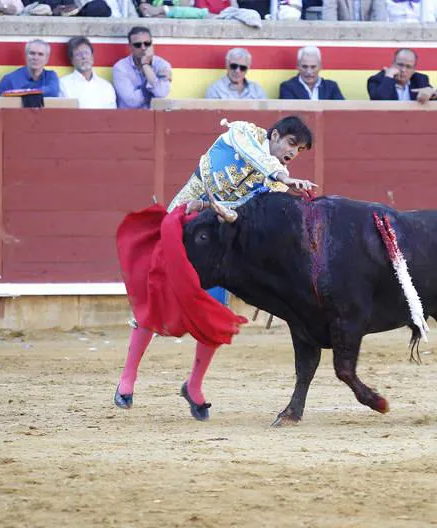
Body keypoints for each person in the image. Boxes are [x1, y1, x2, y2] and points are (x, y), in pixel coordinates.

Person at [114, 115, 317, 421]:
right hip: (182, 228)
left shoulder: (276, 182)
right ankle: (127, 380)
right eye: (291, 143)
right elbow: (254, 156)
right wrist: (284, 178)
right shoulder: (243, 133)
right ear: (274, 135)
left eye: (299, 150)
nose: (293, 153)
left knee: (213, 313)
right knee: (157, 300)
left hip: (217, 247)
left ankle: (193, 386)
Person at [112, 26, 172, 109]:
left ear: (152, 44)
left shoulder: (162, 64)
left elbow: (161, 93)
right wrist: (151, 84)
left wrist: (146, 66)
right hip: (130, 118)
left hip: (154, 117)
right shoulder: (120, 67)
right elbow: (131, 101)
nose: (143, 48)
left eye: (147, 43)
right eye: (137, 45)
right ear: (130, 47)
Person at [279, 46, 345, 100]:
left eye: (313, 67)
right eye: (304, 67)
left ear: (320, 67)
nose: (309, 72)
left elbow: (342, 112)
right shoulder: (287, 87)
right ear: (298, 67)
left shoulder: (331, 87)